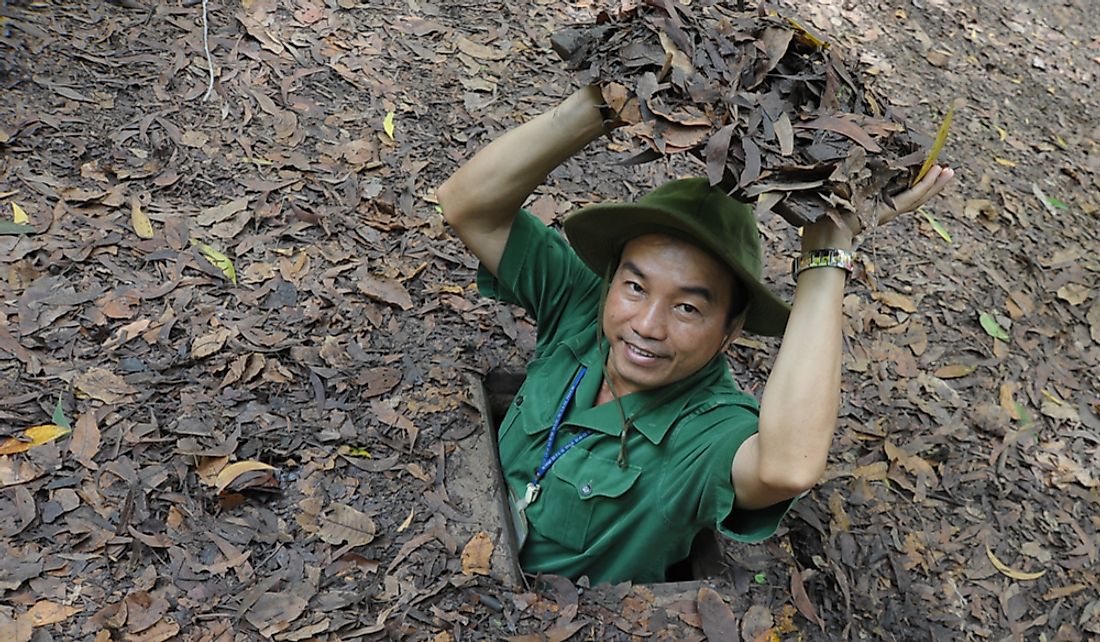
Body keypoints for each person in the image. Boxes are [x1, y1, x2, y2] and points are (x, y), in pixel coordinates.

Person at [436, 85, 954, 584]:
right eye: (636, 287)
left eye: (687, 307)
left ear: (731, 331)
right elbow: (467, 206)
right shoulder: (580, 307)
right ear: (611, 280)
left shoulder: (705, 433)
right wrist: (600, 103)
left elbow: (788, 466)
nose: (646, 325)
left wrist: (826, 250)